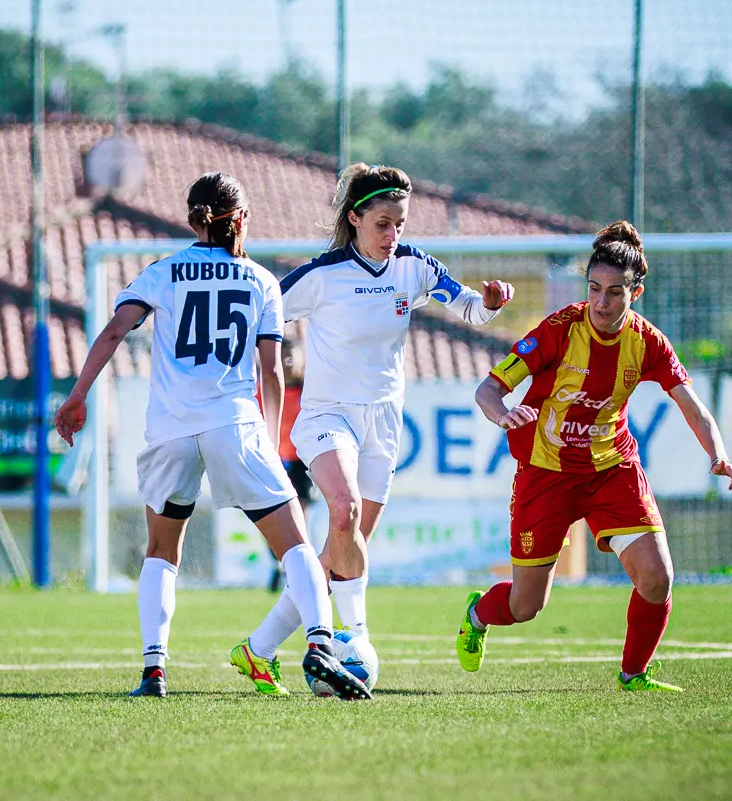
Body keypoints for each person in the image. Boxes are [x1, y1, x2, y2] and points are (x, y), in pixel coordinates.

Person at [55, 172, 370, 701]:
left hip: (171, 429)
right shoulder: (260, 280)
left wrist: (78, 394)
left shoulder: (163, 271)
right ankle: (319, 643)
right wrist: (268, 440)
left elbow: (113, 331)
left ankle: (154, 670)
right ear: (242, 218)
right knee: (294, 543)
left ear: (191, 220)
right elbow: (270, 370)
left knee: (161, 550)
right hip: (233, 425)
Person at [231, 163, 514, 694]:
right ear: (355, 217)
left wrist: (491, 303)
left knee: (342, 550)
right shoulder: (323, 274)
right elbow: (261, 310)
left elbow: (471, 310)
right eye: (382, 223)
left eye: (400, 224)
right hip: (325, 417)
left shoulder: (415, 267)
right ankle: (355, 639)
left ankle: (258, 648)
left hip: (384, 421)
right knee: (345, 512)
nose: (392, 235)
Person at [454, 221, 732, 693]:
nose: (602, 302)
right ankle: (477, 613)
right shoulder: (557, 329)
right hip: (545, 475)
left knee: (657, 578)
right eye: (594, 288)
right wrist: (501, 414)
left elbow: (692, 407)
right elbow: (488, 389)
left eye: (615, 292)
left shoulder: (648, 342)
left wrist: (719, 455)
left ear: (637, 292)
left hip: (611, 471)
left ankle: (633, 674)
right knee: (525, 607)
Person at [267, 331, 313, 593]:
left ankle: (296, 564)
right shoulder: (269, 387)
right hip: (274, 458)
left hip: (301, 460)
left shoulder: (311, 390)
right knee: (272, 514)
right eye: (282, 354)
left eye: (290, 355)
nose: (286, 360)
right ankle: (280, 563)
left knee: (299, 513)